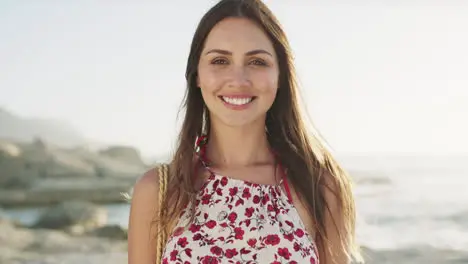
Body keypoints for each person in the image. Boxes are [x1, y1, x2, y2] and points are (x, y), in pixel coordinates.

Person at [128, 0, 362, 263]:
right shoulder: (159, 191)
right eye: (220, 60)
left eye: (257, 62)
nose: (238, 80)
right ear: (197, 75)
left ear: (280, 75)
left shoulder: (318, 186)